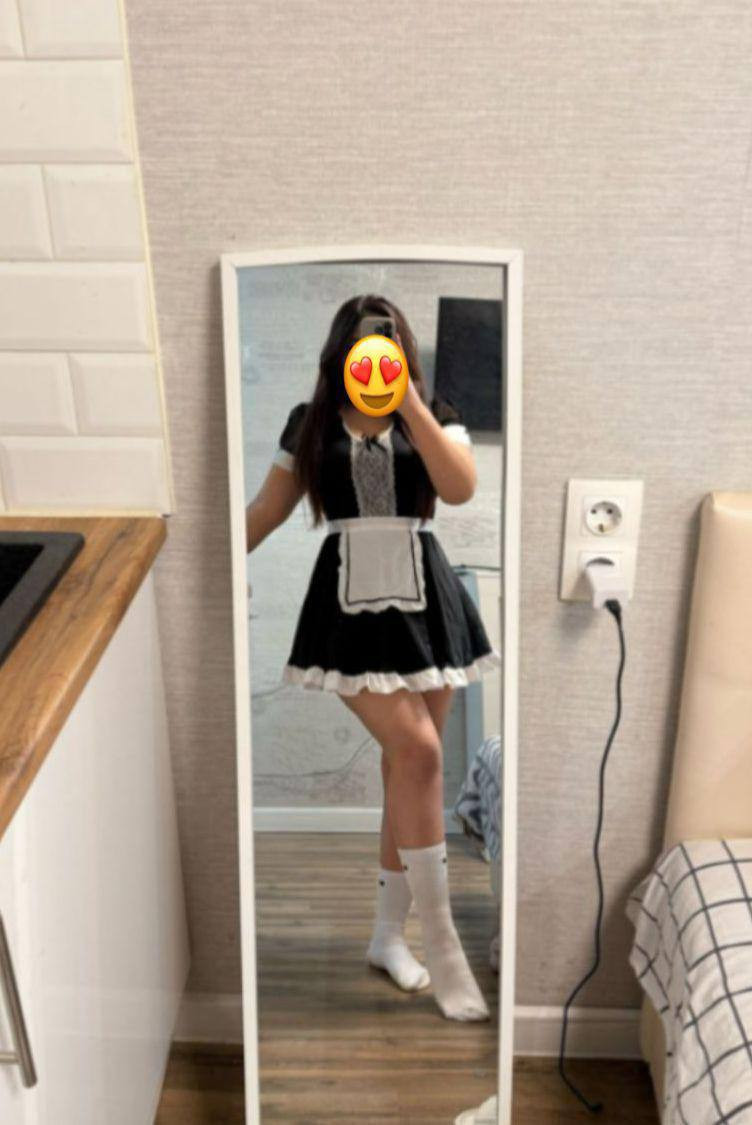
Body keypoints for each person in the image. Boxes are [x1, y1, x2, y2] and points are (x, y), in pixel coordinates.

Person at [245, 293, 500, 1021]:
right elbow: (266, 511)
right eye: (364, 341)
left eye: (388, 341)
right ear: (342, 349)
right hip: (348, 606)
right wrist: (212, 564)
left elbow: (458, 487)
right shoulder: (312, 420)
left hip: (428, 601)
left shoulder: (433, 410)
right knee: (420, 751)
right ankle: (442, 945)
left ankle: (389, 936)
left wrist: (409, 403)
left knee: (406, 768)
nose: (376, 351)